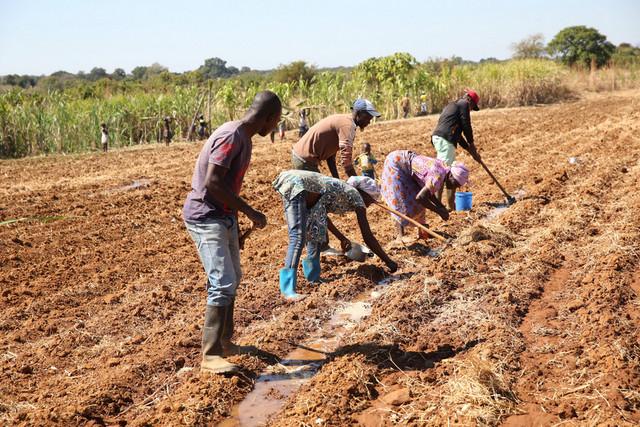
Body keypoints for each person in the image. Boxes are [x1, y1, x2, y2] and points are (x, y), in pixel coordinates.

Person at [182, 90, 282, 374]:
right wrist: (250, 212)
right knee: (222, 281)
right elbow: (213, 183)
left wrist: (235, 225)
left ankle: (225, 342)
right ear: (267, 118)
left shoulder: (244, 139)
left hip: (223, 216)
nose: (275, 127)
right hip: (205, 216)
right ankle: (210, 354)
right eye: (275, 121)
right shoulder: (231, 136)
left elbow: (227, 187)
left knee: (232, 278)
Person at [273, 170, 398, 300]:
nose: (369, 204)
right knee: (298, 237)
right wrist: (389, 262)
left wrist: (341, 238)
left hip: (301, 188)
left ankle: (313, 276)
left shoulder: (341, 191)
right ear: (365, 194)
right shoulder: (355, 195)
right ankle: (288, 290)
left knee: (316, 231)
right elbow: (367, 236)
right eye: (371, 200)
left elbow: (323, 217)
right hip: (297, 185)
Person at [380, 150, 469, 239]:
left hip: (405, 164)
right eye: (456, 183)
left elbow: (428, 192)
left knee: (417, 201)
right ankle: (400, 237)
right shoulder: (438, 176)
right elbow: (421, 198)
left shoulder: (443, 169)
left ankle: (422, 233)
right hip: (396, 164)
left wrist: (441, 207)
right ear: (451, 176)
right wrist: (438, 211)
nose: (455, 187)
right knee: (401, 200)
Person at [291, 99, 380, 179]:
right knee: (317, 193)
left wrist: (337, 179)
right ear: (359, 113)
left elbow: (330, 157)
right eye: (367, 117)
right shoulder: (348, 126)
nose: (369, 121)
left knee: (315, 193)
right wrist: (358, 183)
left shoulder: (345, 121)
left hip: (300, 157)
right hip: (305, 160)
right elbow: (346, 163)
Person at [431, 89, 481, 210]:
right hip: (445, 140)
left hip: (439, 138)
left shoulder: (454, 106)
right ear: (469, 100)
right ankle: (444, 206)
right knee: (444, 172)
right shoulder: (463, 104)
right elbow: (466, 125)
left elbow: (458, 135)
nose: (470, 110)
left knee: (444, 170)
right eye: (472, 107)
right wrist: (472, 145)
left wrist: (469, 150)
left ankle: (445, 205)